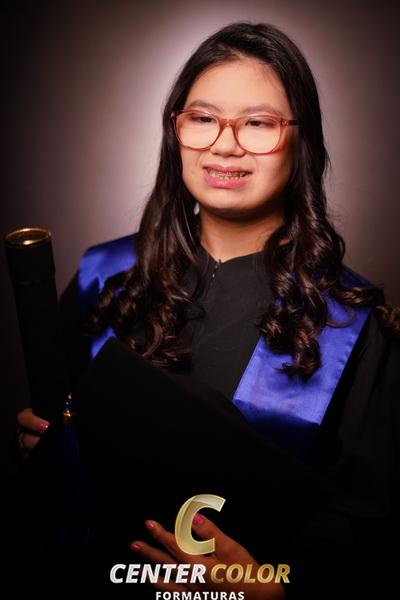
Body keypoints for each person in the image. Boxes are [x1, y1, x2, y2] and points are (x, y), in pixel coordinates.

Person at [13, 20, 400, 600]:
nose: (225, 144)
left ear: (302, 140)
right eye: (202, 118)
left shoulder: (352, 324)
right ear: (176, 130)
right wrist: (46, 444)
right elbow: (57, 446)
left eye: (258, 123)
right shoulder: (104, 276)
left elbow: (374, 528)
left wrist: (273, 589)